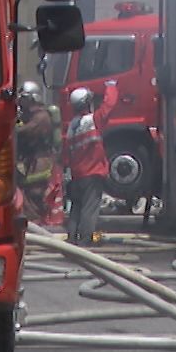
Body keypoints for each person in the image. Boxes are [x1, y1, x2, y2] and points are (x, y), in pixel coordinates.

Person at [62, 80, 119, 246]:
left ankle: (72, 238)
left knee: (76, 209)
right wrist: (111, 86)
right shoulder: (93, 120)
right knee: (89, 208)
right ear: (87, 103)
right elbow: (109, 105)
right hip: (92, 173)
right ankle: (86, 241)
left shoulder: (72, 126)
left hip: (76, 174)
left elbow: (66, 153)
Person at [14, 81, 59, 225]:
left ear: (33, 99)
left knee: (34, 194)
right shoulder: (30, 117)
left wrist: (11, 127)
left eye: (24, 99)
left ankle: (37, 225)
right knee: (28, 194)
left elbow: (25, 131)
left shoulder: (41, 117)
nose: (22, 103)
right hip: (32, 160)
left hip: (40, 162)